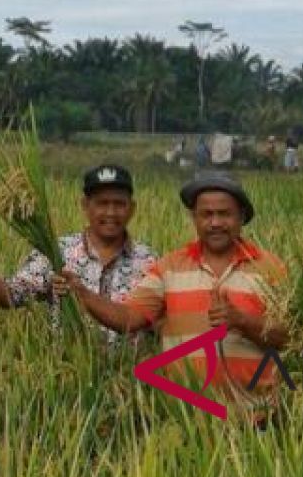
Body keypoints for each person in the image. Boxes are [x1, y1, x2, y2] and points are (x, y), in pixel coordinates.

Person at [57, 173, 290, 424]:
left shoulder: (271, 268)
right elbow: (129, 318)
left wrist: (243, 321)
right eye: (206, 214)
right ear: (194, 218)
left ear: (242, 217)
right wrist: (83, 293)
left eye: (225, 214)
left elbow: (290, 338)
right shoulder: (168, 267)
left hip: (257, 418)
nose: (215, 222)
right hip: (185, 420)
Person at [0, 163, 158, 347]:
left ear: (132, 209)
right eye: (102, 203)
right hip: (70, 379)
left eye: (119, 204)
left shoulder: (149, 262)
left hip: (130, 380)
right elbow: (8, 297)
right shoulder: (56, 253)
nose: (111, 212)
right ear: (85, 206)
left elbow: (162, 325)